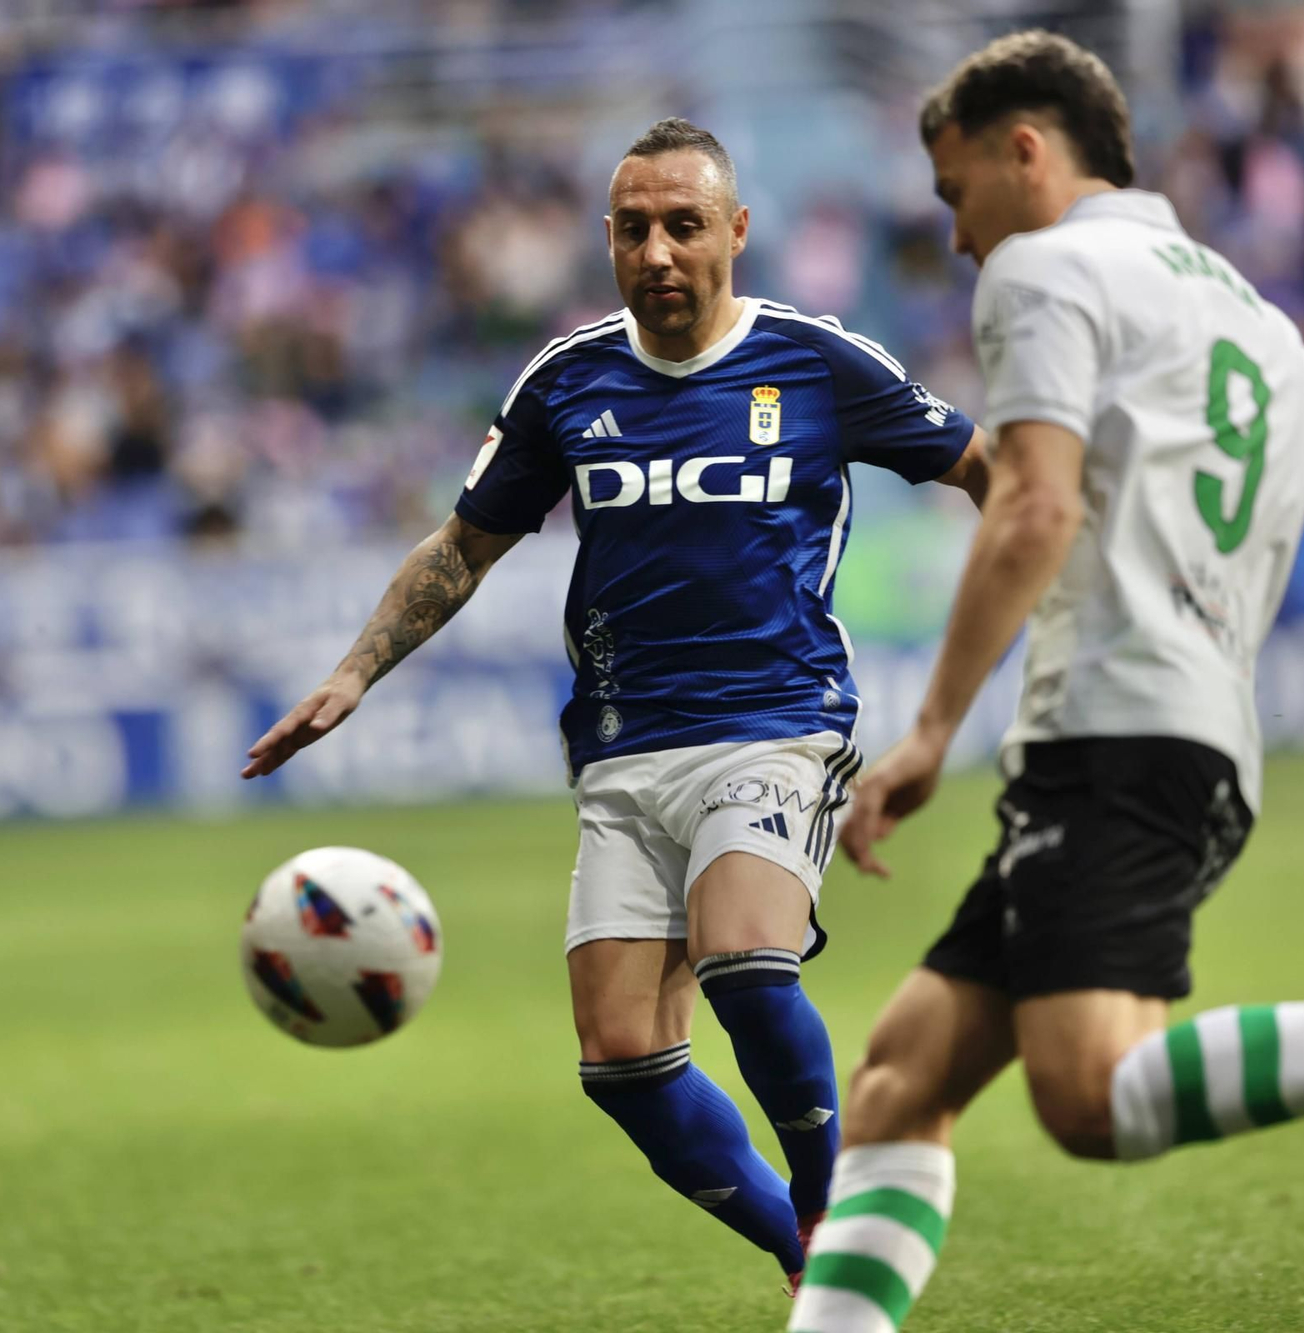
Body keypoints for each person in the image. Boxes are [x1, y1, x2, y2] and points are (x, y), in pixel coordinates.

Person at [789, 32, 1304, 1333]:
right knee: (901, 1079)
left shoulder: (1045, 271)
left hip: (1115, 734)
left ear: (1023, 149)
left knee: (1089, 1095)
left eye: (955, 192)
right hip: (1192, 749)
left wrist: (927, 730)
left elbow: (1032, 506)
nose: (958, 236)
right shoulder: (1251, 316)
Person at [243, 118, 990, 1285]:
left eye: (683, 226)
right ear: (605, 238)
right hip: (620, 749)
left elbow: (987, 471)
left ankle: (846, 1217)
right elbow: (463, 546)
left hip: (777, 720)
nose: (657, 252)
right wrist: (352, 672)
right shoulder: (566, 380)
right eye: (633, 228)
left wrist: (1069, 560)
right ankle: (805, 1257)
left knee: (749, 965)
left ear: (734, 232)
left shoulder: (815, 363)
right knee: (622, 1064)